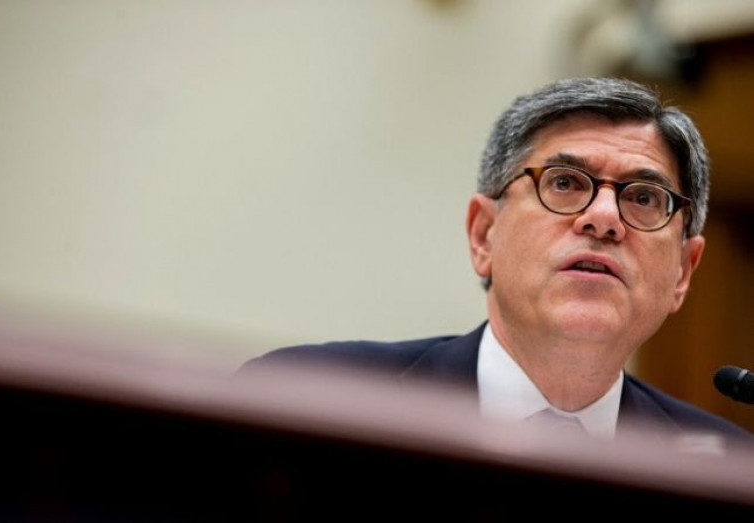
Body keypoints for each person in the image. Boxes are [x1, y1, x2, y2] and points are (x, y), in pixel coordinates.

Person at [237, 77, 752, 448]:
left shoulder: (728, 471)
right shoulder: (304, 400)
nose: (603, 218)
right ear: (484, 234)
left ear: (683, 272)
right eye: (564, 182)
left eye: (643, 197)